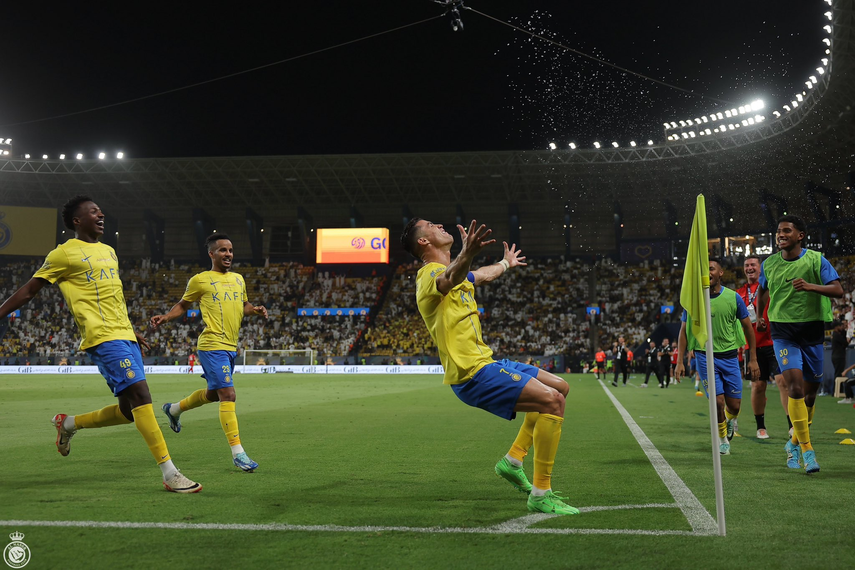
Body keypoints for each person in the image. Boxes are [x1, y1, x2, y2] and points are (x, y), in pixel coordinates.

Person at [0, 196, 201, 493]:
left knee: (128, 411)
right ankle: (170, 473)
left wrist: (131, 330)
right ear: (77, 221)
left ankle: (68, 424)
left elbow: (113, 297)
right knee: (141, 395)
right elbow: (30, 290)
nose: (101, 213)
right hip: (101, 336)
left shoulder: (109, 251)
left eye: (100, 210)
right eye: (93, 211)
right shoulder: (63, 254)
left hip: (124, 335)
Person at [401, 218, 577, 515]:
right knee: (552, 401)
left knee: (561, 387)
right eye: (431, 224)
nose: (439, 224)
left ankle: (513, 461)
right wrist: (467, 252)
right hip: (472, 374)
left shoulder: (458, 274)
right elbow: (448, 279)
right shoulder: (427, 277)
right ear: (423, 242)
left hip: (488, 361)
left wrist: (506, 264)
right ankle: (540, 493)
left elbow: (482, 275)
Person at [151, 233, 268, 473]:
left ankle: (173, 409)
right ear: (211, 254)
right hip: (211, 344)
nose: (228, 255)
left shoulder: (238, 279)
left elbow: (243, 305)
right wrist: (166, 316)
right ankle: (238, 453)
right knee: (229, 394)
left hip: (229, 347)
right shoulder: (200, 280)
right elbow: (183, 305)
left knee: (215, 394)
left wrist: (254, 310)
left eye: (231, 250)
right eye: (223, 250)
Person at [757, 215, 843, 474]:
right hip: (783, 331)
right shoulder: (769, 264)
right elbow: (762, 290)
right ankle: (807, 449)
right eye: (778, 231)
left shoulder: (816, 260)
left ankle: (793, 442)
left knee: (810, 394)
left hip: (812, 330)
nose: (780, 235)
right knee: (793, 386)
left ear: (800, 235)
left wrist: (810, 287)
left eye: (786, 231)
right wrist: (760, 316)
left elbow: (838, 290)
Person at [677, 258, 760, 456]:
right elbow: (683, 331)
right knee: (718, 402)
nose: (707, 273)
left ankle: (730, 421)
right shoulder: (693, 301)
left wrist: (753, 358)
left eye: (711, 269)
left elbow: (748, 327)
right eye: (704, 270)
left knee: (734, 406)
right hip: (705, 356)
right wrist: (680, 360)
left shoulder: (733, 298)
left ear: (721, 273)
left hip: (730, 356)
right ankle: (722, 438)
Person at [737, 255, 787, 439]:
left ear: (760, 268)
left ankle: (792, 426)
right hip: (752, 347)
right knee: (758, 386)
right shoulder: (739, 293)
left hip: (775, 342)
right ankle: (761, 427)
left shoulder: (770, 287)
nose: (749, 268)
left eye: (753, 265)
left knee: (784, 382)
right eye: (746, 265)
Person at [831, 320, 850, 397]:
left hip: (836, 356)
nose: (841, 327)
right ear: (836, 327)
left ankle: (838, 390)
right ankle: (836, 391)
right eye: (839, 326)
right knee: (838, 374)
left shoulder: (835, 334)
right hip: (839, 357)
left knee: (838, 373)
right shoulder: (836, 335)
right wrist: (849, 340)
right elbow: (845, 343)